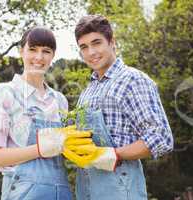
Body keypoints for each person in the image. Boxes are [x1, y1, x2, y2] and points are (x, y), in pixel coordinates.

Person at [66, 15, 174, 200]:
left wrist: (112, 154)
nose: (91, 52)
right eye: (84, 47)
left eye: (97, 43)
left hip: (120, 189)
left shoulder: (133, 80)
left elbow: (160, 138)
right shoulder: (87, 91)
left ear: (112, 42)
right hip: (86, 188)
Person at [0, 26, 93, 200]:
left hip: (60, 192)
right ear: (21, 52)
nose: (39, 57)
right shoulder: (4, 93)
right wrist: (40, 149)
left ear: (53, 56)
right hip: (22, 193)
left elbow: (65, 151)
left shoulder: (59, 100)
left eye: (46, 51)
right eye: (32, 49)